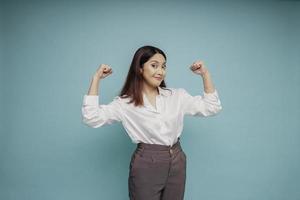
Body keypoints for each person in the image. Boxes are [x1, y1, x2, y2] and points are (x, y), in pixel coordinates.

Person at [81, 45, 222, 200]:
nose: (160, 71)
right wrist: (96, 79)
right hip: (147, 163)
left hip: (177, 159)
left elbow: (212, 107)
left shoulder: (176, 96)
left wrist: (205, 74)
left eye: (163, 66)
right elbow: (91, 117)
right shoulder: (125, 103)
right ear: (140, 68)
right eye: (154, 65)